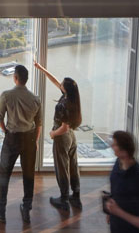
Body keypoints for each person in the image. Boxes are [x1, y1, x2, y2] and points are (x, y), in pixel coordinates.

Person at [0, 65, 41, 224]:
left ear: (15, 78)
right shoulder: (35, 99)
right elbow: (39, 124)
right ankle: (26, 210)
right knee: (29, 175)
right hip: (30, 139)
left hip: (12, 138)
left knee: (4, 174)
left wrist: (6, 132)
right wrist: (36, 141)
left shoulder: (6, 95)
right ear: (26, 79)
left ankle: (1, 211)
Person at [34, 61, 82, 211]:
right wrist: (41, 68)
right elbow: (55, 80)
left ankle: (63, 199)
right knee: (73, 165)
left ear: (65, 89)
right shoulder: (73, 99)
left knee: (62, 167)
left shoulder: (63, 104)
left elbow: (64, 127)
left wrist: (53, 134)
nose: (59, 84)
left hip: (62, 137)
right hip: (72, 137)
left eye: (62, 84)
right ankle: (76, 195)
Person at [105, 131, 139, 233]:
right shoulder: (118, 164)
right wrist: (110, 211)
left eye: (114, 144)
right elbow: (116, 190)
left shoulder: (137, 181)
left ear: (124, 151)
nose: (111, 146)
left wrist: (118, 212)